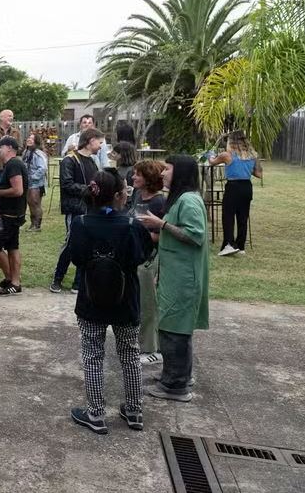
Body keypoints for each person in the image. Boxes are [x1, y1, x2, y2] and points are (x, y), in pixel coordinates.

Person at [68, 169, 152, 435]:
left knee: (93, 356)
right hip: (126, 300)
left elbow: (77, 258)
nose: (128, 193)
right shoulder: (131, 226)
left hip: (91, 299)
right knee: (130, 355)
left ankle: (95, 413)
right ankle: (135, 410)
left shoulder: (80, 223)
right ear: (117, 195)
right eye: (125, 190)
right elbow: (143, 255)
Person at [139, 156, 210, 403]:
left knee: (174, 327)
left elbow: (195, 235)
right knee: (173, 325)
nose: (163, 174)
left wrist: (161, 224)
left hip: (184, 276)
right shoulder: (182, 198)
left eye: (168, 169)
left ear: (179, 173)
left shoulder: (188, 201)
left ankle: (176, 385)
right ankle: (176, 375)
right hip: (176, 271)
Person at [50, 128, 104, 294]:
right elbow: (67, 184)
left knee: (88, 244)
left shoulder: (93, 161)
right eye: (99, 142)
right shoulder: (70, 160)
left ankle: (78, 282)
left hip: (91, 209)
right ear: (90, 140)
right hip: (75, 209)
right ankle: (57, 279)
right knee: (71, 243)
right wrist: (88, 189)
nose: (101, 146)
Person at [128, 160, 167, 365]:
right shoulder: (137, 195)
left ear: (149, 179)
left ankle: (153, 349)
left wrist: (139, 233)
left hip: (150, 260)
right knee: (139, 302)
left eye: (138, 175)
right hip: (137, 256)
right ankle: (143, 342)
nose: (133, 178)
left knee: (149, 304)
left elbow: (163, 235)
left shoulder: (159, 202)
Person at [209, 130, 262, 256]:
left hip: (233, 187)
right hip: (247, 187)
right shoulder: (252, 155)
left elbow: (212, 162)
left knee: (228, 216)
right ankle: (241, 246)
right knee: (243, 217)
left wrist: (210, 155)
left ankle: (229, 244)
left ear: (231, 141)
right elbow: (259, 174)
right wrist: (245, 169)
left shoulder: (227, 155)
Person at [0, 136, 29, 296]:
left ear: (10, 148)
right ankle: (15, 282)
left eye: (0, 147)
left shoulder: (13, 164)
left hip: (9, 215)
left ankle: (11, 279)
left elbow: (17, 190)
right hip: (13, 214)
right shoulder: (12, 164)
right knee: (13, 247)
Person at [22, 133, 48, 231]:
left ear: (36, 142)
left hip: (36, 183)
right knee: (30, 203)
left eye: (32, 139)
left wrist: (33, 177)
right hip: (28, 182)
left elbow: (42, 168)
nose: (29, 139)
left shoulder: (38, 153)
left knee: (35, 203)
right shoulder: (26, 152)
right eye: (28, 137)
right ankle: (32, 224)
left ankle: (37, 225)